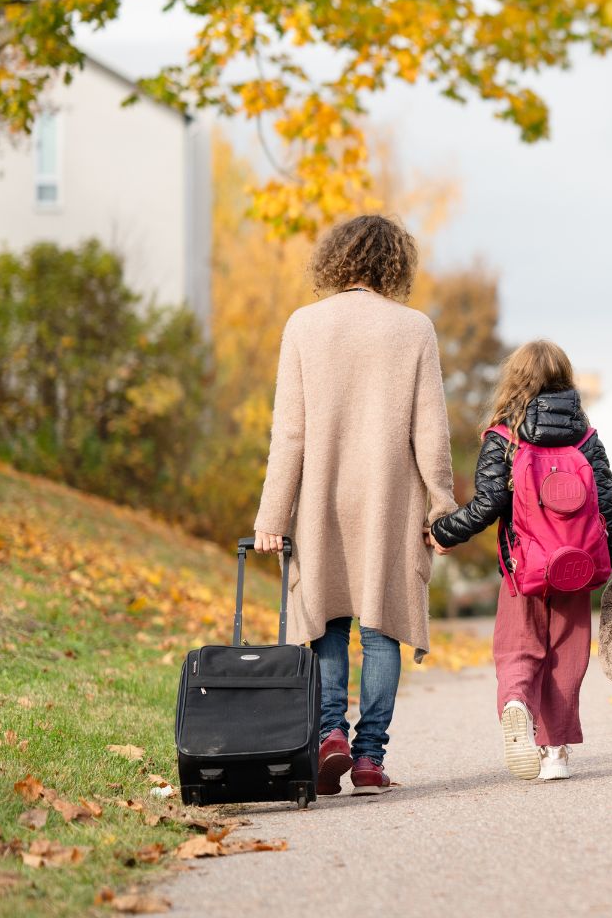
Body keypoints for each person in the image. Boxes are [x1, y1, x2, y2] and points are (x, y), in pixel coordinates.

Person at [252, 214, 458, 796]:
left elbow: (288, 434)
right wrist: (441, 506)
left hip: (322, 498)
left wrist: (272, 516)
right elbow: (431, 434)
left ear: (335, 261)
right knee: (381, 625)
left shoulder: (303, 325)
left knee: (326, 621)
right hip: (389, 500)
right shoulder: (414, 329)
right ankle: (369, 759)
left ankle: (329, 736)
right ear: (395, 264)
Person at [432, 340, 612, 782]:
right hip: (576, 570)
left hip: (524, 570)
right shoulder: (586, 437)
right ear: (565, 380)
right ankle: (555, 753)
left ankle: (517, 704)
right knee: (567, 656)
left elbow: (487, 505)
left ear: (515, 380)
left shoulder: (504, 437)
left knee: (518, 649)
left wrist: (444, 533)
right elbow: (607, 504)